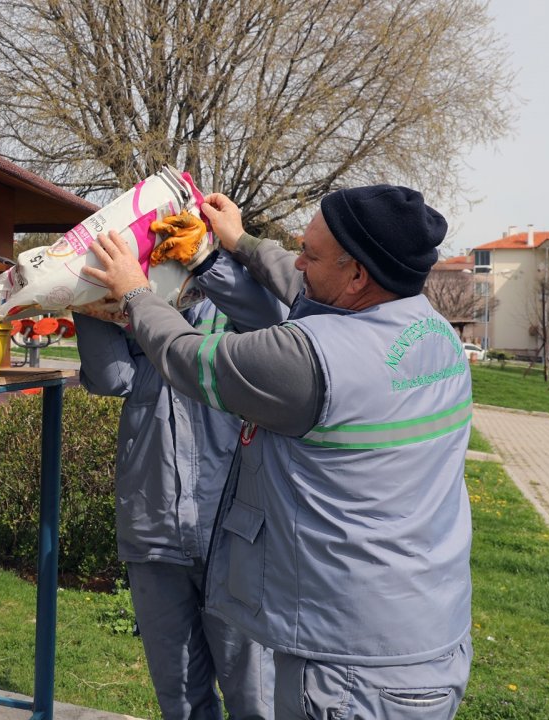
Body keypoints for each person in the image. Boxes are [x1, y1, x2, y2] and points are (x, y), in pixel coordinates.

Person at [81, 185, 474, 719]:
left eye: (309, 254)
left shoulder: (314, 359)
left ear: (357, 274)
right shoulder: (430, 329)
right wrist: (233, 243)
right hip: (428, 638)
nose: (298, 264)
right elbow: (302, 283)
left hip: (349, 670)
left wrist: (135, 293)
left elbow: (186, 356)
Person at [74, 250, 282, 719]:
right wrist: (84, 296)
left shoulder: (238, 316)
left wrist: (211, 266)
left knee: (255, 698)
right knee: (181, 700)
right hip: (155, 531)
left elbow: (275, 324)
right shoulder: (140, 315)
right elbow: (111, 378)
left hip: (234, 540)